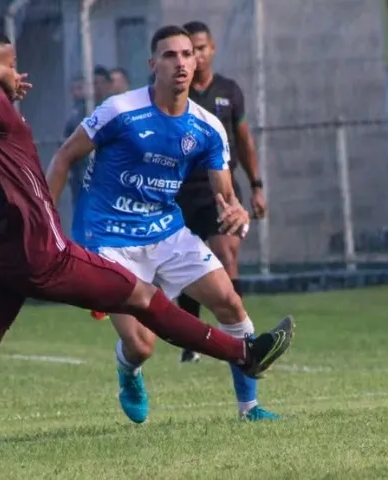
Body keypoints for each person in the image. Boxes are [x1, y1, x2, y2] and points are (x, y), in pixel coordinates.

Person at [0, 28, 294, 460]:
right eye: (11, 64)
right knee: (146, 300)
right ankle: (243, 354)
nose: (18, 73)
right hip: (43, 255)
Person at [47, 25, 283, 424]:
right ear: (152, 64)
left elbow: (223, 193)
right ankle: (129, 370)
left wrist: (237, 210)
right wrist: (46, 225)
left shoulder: (207, 126)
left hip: (166, 231)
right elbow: (63, 158)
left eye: (188, 54)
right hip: (108, 237)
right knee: (143, 346)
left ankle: (250, 408)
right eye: (170, 55)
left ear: (197, 61)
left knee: (230, 302)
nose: (181, 63)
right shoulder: (120, 110)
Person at [176, 21, 266, 372]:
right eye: (188, 50)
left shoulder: (229, 90)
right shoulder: (176, 94)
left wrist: (256, 186)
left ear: (211, 49)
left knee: (227, 252)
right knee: (187, 268)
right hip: (182, 193)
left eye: (200, 48)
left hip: (223, 191)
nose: (195, 55)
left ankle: (240, 338)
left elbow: (243, 140)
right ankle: (191, 340)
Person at [64, 66, 113, 208]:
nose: (97, 87)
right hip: (83, 173)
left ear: (109, 85)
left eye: (100, 82)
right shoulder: (80, 112)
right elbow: (67, 141)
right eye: (93, 83)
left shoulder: (117, 109)